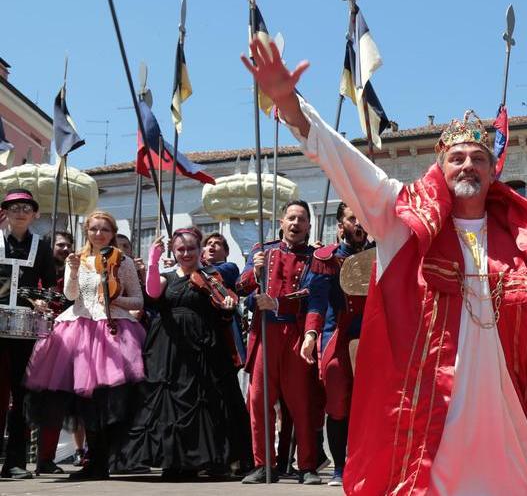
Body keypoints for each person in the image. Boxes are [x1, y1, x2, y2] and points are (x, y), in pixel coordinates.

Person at [242, 38, 527, 495]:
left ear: (491, 171)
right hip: (428, 390)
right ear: (441, 168)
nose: (468, 165)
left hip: (496, 389)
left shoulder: (521, 233)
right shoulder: (405, 218)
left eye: (478, 159)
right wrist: (289, 103)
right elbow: (348, 164)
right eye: (457, 158)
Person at [122, 228, 253, 480]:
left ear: (199, 250)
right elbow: (151, 292)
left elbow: (224, 313)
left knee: (207, 401)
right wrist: (152, 260)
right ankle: (172, 461)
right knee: (168, 404)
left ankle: (209, 460)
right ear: (174, 251)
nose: (185, 254)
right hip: (168, 347)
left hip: (204, 345)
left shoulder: (212, 277)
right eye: (180, 249)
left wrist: (227, 308)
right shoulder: (166, 277)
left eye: (191, 249)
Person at [24, 211, 145, 480]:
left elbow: (138, 301)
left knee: (107, 401)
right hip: (77, 328)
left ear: (113, 233)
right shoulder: (76, 259)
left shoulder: (122, 261)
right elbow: (70, 294)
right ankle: (94, 461)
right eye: (94, 229)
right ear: (86, 231)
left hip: (112, 331)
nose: (99, 234)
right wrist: (75, 269)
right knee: (83, 402)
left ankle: (102, 459)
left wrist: (114, 300)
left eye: (105, 229)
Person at [236, 200, 330, 485]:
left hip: (296, 334)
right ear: (281, 221)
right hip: (265, 333)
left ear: (309, 225)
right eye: (291, 218)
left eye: (301, 219)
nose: (295, 223)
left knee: (301, 402)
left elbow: (314, 298)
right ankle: (264, 465)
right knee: (259, 400)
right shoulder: (262, 252)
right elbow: (242, 289)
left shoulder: (318, 258)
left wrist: (310, 334)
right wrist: (256, 272)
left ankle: (307, 466)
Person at [0, 190, 57, 479]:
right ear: (5, 212)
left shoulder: (42, 247)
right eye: (14, 207)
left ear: (34, 214)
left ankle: (15, 462)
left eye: (26, 207)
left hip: (25, 330)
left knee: (22, 396)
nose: (20, 212)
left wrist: (43, 300)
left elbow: (50, 284)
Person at [317, 202, 370, 487]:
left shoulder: (382, 254)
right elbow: (316, 302)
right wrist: (312, 337)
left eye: (362, 218)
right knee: (338, 404)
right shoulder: (326, 259)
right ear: (341, 226)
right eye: (352, 218)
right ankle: (339, 468)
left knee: (370, 405)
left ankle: (364, 464)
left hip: (372, 338)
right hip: (337, 337)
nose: (358, 224)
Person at [33, 230, 76, 475]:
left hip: (61, 344)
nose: (65, 249)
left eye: (68, 245)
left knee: (54, 405)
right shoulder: (39, 271)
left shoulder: (74, 271)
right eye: (60, 245)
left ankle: (46, 458)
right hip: (34, 342)